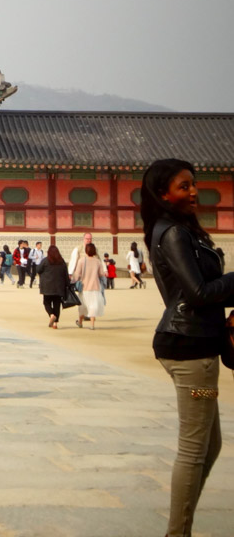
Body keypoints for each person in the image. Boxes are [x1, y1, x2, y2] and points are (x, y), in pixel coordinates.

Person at [141, 158, 234, 537]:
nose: (193, 191)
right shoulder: (174, 233)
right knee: (194, 450)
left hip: (193, 343)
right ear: (163, 194)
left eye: (194, 184)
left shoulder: (179, 230)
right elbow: (196, 293)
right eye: (184, 186)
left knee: (209, 447)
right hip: (190, 350)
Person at [71, 243, 106, 330]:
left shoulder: (82, 260)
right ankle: (92, 324)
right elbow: (102, 274)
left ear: (86, 251)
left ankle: (80, 322)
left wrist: (72, 281)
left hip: (84, 287)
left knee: (83, 305)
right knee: (93, 305)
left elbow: (77, 274)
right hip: (95, 287)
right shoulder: (97, 261)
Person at [38, 245, 70, 329]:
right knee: (57, 305)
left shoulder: (45, 261)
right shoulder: (62, 261)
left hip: (47, 286)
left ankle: (51, 315)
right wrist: (67, 284)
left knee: (46, 302)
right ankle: (55, 324)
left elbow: (38, 270)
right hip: (59, 287)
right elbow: (65, 274)